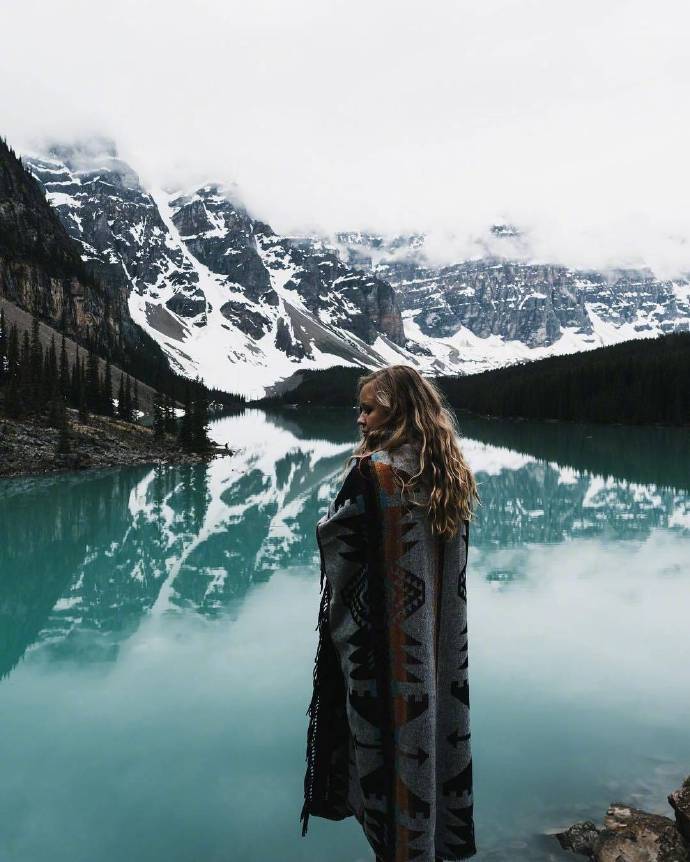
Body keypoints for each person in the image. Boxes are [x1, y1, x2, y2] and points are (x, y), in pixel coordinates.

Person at [300, 365, 480, 861]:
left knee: (386, 749)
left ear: (397, 411)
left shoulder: (374, 474)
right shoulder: (448, 472)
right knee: (436, 737)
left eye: (369, 408)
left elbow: (339, 546)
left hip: (386, 657)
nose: (360, 418)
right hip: (440, 650)